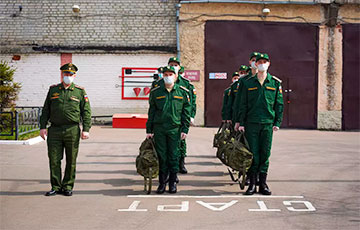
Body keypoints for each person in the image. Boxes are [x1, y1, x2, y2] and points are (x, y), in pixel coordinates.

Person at [39, 63, 91, 196]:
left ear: (75, 76)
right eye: (66, 74)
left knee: (71, 160)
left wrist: (86, 129)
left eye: (70, 74)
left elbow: (86, 111)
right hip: (55, 130)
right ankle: (55, 187)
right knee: (54, 159)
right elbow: (46, 110)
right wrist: (43, 127)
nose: (68, 76)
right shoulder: (53, 90)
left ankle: (67, 186)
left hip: (72, 130)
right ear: (62, 75)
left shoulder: (79, 91)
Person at [238, 53, 284, 195]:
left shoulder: (275, 83)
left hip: (267, 124)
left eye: (265, 62)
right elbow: (242, 104)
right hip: (251, 124)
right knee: (253, 154)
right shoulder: (247, 83)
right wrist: (241, 122)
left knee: (265, 154)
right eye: (260, 62)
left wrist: (277, 122)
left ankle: (263, 184)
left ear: (269, 64)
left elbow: (279, 104)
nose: (262, 64)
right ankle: (252, 184)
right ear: (256, 65)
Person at [145, 66, 191, 194]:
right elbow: (152, 112)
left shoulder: (182, 92)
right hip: (159, 129)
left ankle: (172, 183)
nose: (168, 76)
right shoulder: (156, 92)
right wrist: (149, 130)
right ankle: (161, 184)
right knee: (161, 156)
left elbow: (185, 113)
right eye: (165, 74)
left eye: (171, 74)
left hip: (175, 129)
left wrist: (185, 129)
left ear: (176, 76)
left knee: (174, 156)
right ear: (162, 76)